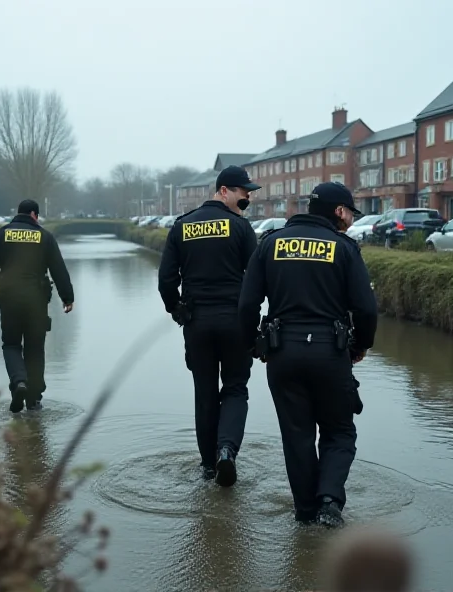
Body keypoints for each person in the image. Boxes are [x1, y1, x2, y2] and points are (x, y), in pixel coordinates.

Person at [237, 181, 377, 527]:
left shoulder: (269, 244)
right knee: (339, 430)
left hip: (282, 353)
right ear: (339, 212)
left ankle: (304, 513)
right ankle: (329, 502)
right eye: (350, 213)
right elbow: (366, 309)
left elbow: (247, 303)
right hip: (331, 353)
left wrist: (254, 343)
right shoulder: (344, 248)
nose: (351, 221)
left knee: (297, 435)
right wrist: (359, 346)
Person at [157, 165, 260, 487]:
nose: (247, 200)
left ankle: (207, 467)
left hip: (197, 322)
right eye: (244, 194)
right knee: (235, 389)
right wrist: (254, 321)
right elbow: (258, 280)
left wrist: (176, 309)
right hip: (234, 321)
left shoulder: (182, 226)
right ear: (224, 191)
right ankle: (226, 450)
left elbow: (165, 280)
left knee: (204, 393)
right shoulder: (241, 229)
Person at [0, 199, 74, 413]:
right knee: (35, 348)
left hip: (10, 300)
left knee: (11, 345)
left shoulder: (1, 234)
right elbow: (58, 269)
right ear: (34, 214)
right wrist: (67, 297)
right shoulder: (44, 236)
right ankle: (33, 399)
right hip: (36, 301)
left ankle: (19, 383)